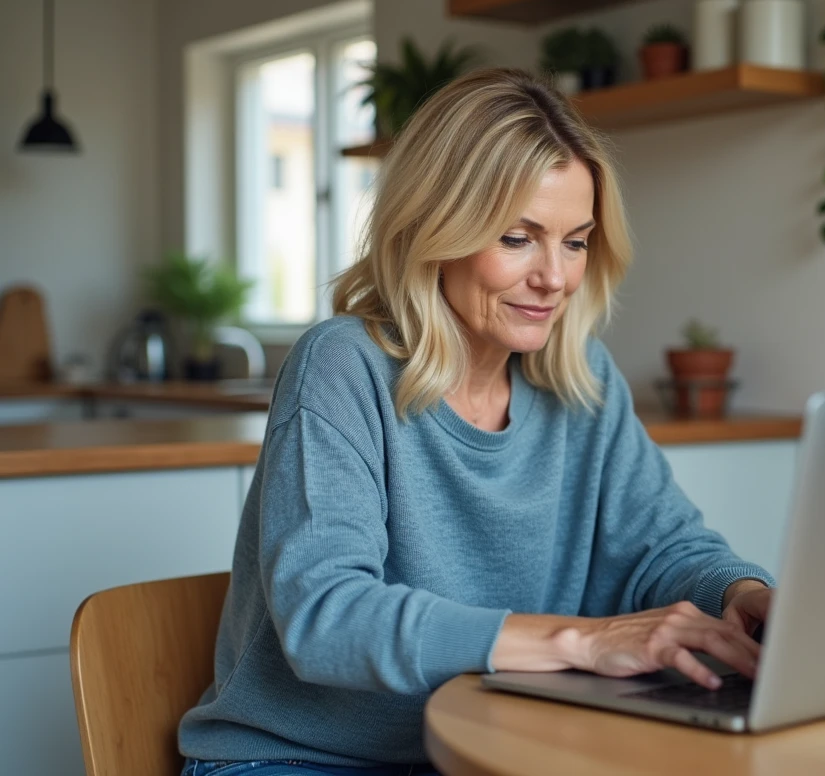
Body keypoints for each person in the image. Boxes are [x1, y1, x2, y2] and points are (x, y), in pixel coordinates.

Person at [178, 68, 775, 776]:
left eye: (576, 241)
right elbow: (325, 617)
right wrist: (580, 641)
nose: (554, 277)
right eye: (518, 238)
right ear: (438, 229)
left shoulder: (580, 376)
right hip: (301, 761)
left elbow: (662, 549)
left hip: (490, 747)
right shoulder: (343, 365)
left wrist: (748, 596)